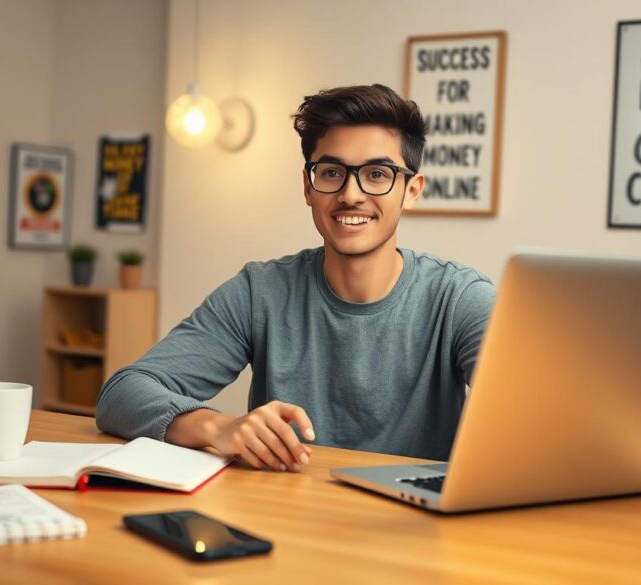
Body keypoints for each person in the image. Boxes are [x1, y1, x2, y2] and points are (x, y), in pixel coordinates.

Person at [96, 84, 496, 471]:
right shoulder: (260, 292)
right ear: (308, 186)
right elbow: (122, 394)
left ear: (412, 190)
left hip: (412, 530)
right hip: (286, 521)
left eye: (377, 174)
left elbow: (529, 419)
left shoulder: (460, 299)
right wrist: (218, 427)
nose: (351, 194)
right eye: (331, 172)